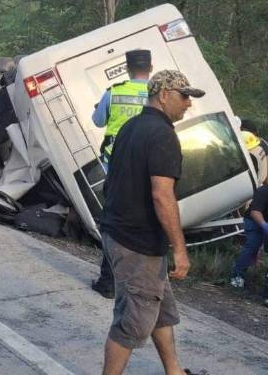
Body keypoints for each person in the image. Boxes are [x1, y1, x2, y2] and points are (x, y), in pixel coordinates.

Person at [100, 70, 204, 375]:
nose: (188, 104)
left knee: (160, 311)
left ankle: (175, 372)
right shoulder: (162, 134)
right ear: (164, 95)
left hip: (119, 234)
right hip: (137, 243)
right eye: (184, 96)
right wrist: (181, 250)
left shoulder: (131, 126)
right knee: (132, 322)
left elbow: (113, 181)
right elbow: (162, 195)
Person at [91, 49, 153, 298]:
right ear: (151, 67)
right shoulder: (158, 93)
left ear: (127, 68)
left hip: (116, 168)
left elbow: (98, 121)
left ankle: (108, 282)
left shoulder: (114, 91)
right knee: (142, 225)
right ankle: (137, 283)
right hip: (148, 169)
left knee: (113, 224)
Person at [230, 179, 268, 295]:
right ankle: (237, 277)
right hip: (254, 221)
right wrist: (264, 225)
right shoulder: (263, 191)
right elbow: (255, 212)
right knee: (252, 247)